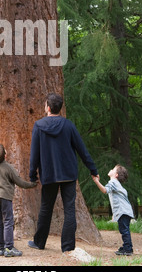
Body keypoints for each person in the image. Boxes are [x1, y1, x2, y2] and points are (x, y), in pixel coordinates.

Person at [28, 93, 99, 253]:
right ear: (59, 108)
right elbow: (82, 150)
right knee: (69, 209)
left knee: (46, 208)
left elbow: (34, 154)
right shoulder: (68, 125)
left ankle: (39, 242)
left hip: (49, 174)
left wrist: (33, 175)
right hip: (68, 174)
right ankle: (67, 247)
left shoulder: (38, 126)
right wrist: (93, 169)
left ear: (48, 107)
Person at [0, 144, 37, 257]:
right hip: (5, 197)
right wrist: (32, 184)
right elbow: (20, 182)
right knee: (8, 221)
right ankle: (9, 248)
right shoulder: (9, 167)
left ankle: (1, 248)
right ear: (5, 156)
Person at [92, 164, 134, 255]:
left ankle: (128, 249)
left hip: (123, 211)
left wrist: (96, 181)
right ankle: (127, 246)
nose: (111, 169)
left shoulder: (113, 182)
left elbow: (104, 190)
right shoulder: (117, 185)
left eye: (113, 169)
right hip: (125, 211)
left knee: (124, 230)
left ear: (116, 175)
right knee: (124, 229)